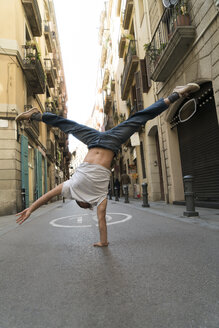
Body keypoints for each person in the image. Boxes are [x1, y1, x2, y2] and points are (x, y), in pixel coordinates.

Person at [15, 83, 200, 246]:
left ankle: (177, 94)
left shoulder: (96, 198)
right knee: (72, 125)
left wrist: (103, 242)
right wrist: (31, 208)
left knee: (136, 119)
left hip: (100, 141)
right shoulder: (80, 191)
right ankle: (177, 94)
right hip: (103, 140)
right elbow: (47, 197)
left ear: (85, 204)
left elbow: (100, 220)